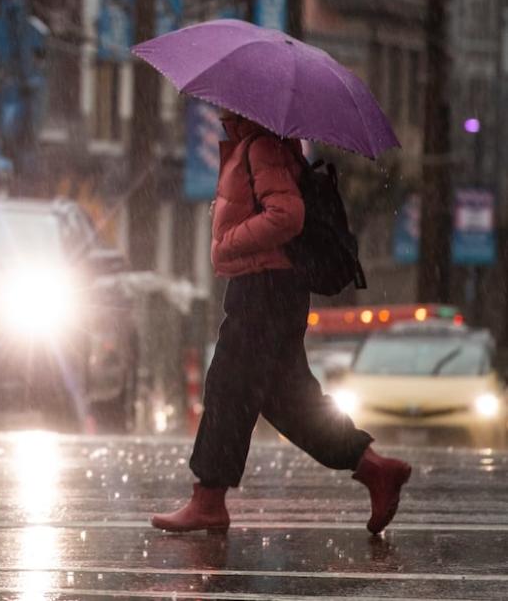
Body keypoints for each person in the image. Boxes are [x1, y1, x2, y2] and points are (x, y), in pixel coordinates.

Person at [150, 110, 410, 535]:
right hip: (271, 287)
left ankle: (209, 499)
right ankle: (373, 467)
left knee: (228, 387)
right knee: (289, 399)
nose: (217, 108)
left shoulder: (261, 146)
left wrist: (226, 244)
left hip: (264, 287)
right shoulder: (258, 145)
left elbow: (287, 214)